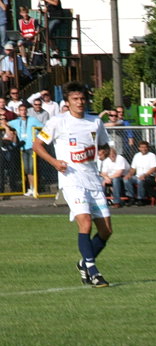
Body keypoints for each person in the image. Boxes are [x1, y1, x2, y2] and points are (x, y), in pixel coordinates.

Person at [33, 82, 113, 287]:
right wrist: (54, 162)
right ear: (67, 102)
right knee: (85, 222)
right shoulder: (58, 122)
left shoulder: (95, 122)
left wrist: (103, 151)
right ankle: (93, 270)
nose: (80, 102)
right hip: (71, 180)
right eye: (75, 99)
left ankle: (83, 263)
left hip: (93, 179)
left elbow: (103, 144)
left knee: (106, 231)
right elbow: (37, 145)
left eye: (82, 99)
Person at [9, 103, 43, 197]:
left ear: (27, 111)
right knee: (27, 169)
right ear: (18, 112)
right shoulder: (16, 121)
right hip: (23, 148)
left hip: (32, 147)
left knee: (32, 168)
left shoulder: (32, 120)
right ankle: (30, 188)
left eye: (24, 110)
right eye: (21, 110)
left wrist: (37, 138)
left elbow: (42, 127)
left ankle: (35, 188)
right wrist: (8, 130)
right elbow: (5, 123)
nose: (23, 112)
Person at [130, 140, 156, 205]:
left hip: (149, 176)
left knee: (140, 180)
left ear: (148, 148)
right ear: (139, 148)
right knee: (126, 180)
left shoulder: (152, 155)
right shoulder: (136, 155)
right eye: (142, 147)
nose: (143, 149)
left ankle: (140, 199)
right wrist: (129, 174)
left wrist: (145, 175)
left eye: (145, 147)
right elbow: (133, 168)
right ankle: (131, 197)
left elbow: (154, 168)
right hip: (137, 176)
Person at [0, 115, 17, 193]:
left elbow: (12, 139)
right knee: (1, 172)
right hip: (1, 152)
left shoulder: (11, 129)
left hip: (10, 151)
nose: (3, 120)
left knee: (12, 170)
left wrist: (6, 128)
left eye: (5, 119)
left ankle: (13, 187)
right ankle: (1, 188)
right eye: (1, 119)